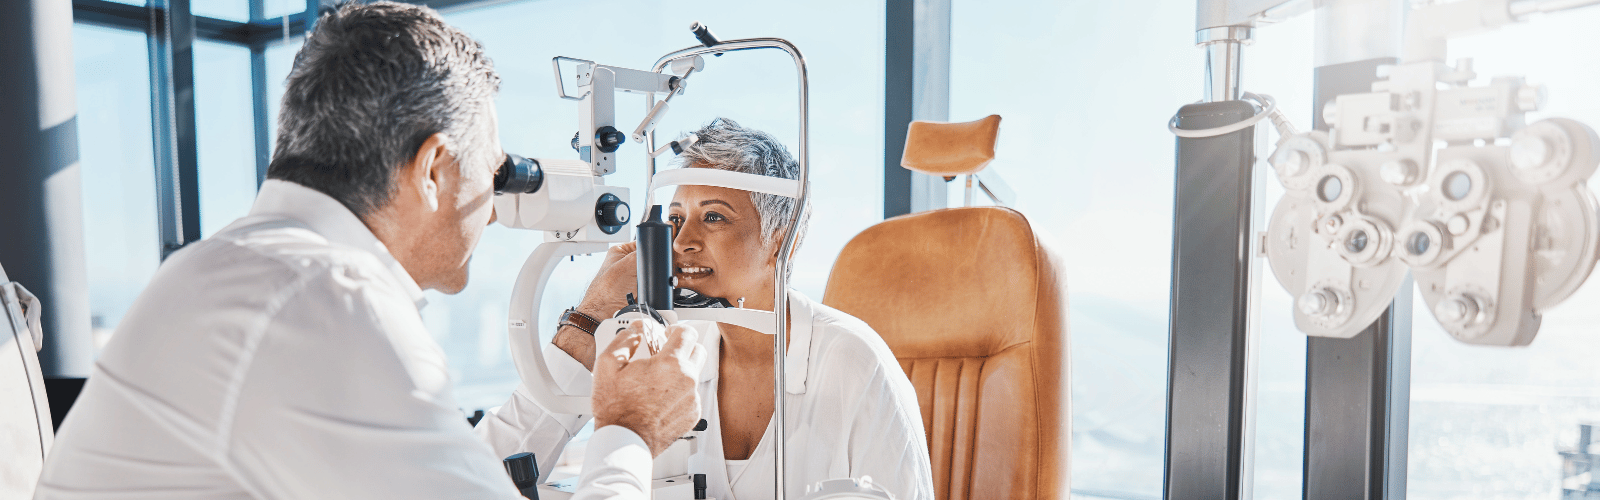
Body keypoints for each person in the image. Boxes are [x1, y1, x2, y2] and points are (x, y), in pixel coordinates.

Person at [33, 3, 704, 499]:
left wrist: (580, 340)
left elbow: (440, 472)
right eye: (492, 172)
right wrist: (630, 434)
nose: (496, 206)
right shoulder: (325, 302)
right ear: (435, 168)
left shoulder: (243, 272)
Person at [476, 118, 937, 500]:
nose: (681, 241)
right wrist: (594, 311)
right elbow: (500, 466)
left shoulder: (853, 361)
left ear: (783, 240)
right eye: (674, 218)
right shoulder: (667, 351)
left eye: (714, 217)